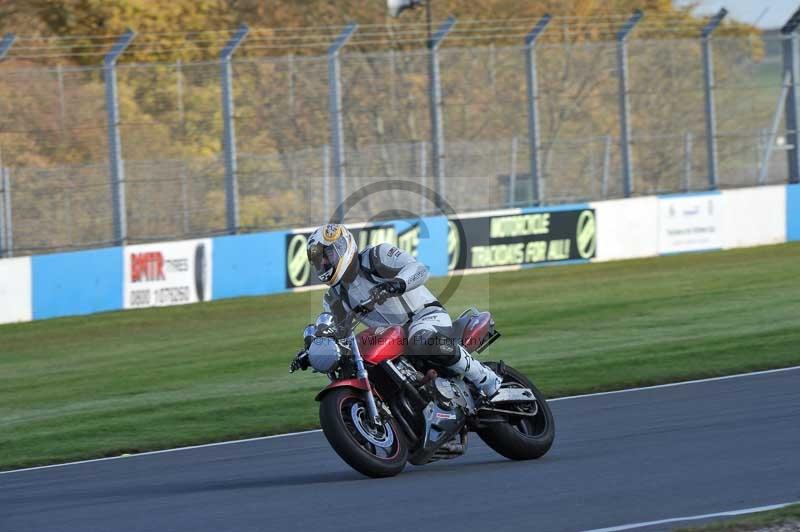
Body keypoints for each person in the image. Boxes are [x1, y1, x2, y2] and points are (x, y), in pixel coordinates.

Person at [294, 223, 502, 397]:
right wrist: (314, 347)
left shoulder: (376, 257)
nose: (323, 262)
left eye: (326, 254)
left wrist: (396, 284)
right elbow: (335, 329)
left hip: (427, 316)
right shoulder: (334, 297)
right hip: (394, 341)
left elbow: (419, 270)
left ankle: (485, 378)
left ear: (342, 247)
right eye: (317, 259)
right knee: (369, 366)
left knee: (419, 337)